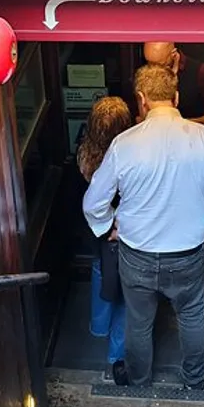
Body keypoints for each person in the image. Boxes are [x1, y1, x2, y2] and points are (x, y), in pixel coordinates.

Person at [83, 64, 204, 390]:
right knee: (192, 316)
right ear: (177, 97)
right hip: (187, 257)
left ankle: (138, 380)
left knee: (139, 322)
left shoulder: (124, 144)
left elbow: (92, 202)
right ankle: (195, 380)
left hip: (136, 256)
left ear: (141, 99)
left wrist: (106, 225)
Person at [143, 42, 204, 313]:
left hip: (192, 150)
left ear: (173, 54)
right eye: (150, 65)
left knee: (201, 222)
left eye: (159, 65)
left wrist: (183, 124)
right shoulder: (146, 74)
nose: (153, 71)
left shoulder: (200, 72)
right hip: (157, 153)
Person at [76, 96, 132, 381]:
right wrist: (113, 225)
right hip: (117, 232)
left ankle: (98, 326)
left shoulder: (85, 152)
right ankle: (116, 354)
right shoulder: (124, 158)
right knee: (125, 292)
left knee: (100, 271)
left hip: (94, 231)